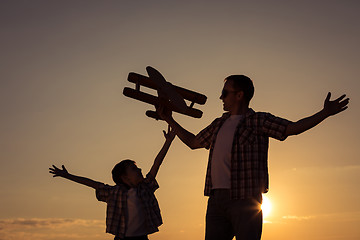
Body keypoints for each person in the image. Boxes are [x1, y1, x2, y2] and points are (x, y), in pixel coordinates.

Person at [157, 74, 349, 240]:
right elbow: (193, 142)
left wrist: (325, 113)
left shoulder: (258, 120)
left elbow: (292, 128)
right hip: (216, 199)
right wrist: (169, 119)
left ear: (239, 95)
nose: (220, 97)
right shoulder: (218, 123)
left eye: (225, 93)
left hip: (246, 200)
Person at [49, 126, 176, 240]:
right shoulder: (114, 192)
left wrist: (168, 142)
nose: (139, 170)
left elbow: (157, 163)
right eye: (134, 169)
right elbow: (91, 183)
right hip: (121, 238)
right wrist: (67, 175)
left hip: (142, 238)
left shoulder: (145, 187)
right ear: (124, 177)